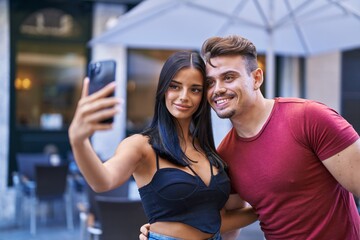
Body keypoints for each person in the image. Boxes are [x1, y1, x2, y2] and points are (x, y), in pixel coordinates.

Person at [140, 35, 360, 239]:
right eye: (210, 83)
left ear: (256, 78)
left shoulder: (309, 118)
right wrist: (164, 230)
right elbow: (229, 220)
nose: (218, 90)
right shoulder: (225, 154)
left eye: (228, 77)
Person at [68, 51, 258, 240]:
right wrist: (79, 141)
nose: (184, 96)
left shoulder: (208, 151)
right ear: (163, 89)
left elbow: (218, 220)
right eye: (175, 86)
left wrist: (274, 204)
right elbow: (102, 181)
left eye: (195, 89)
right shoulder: (141, 146)